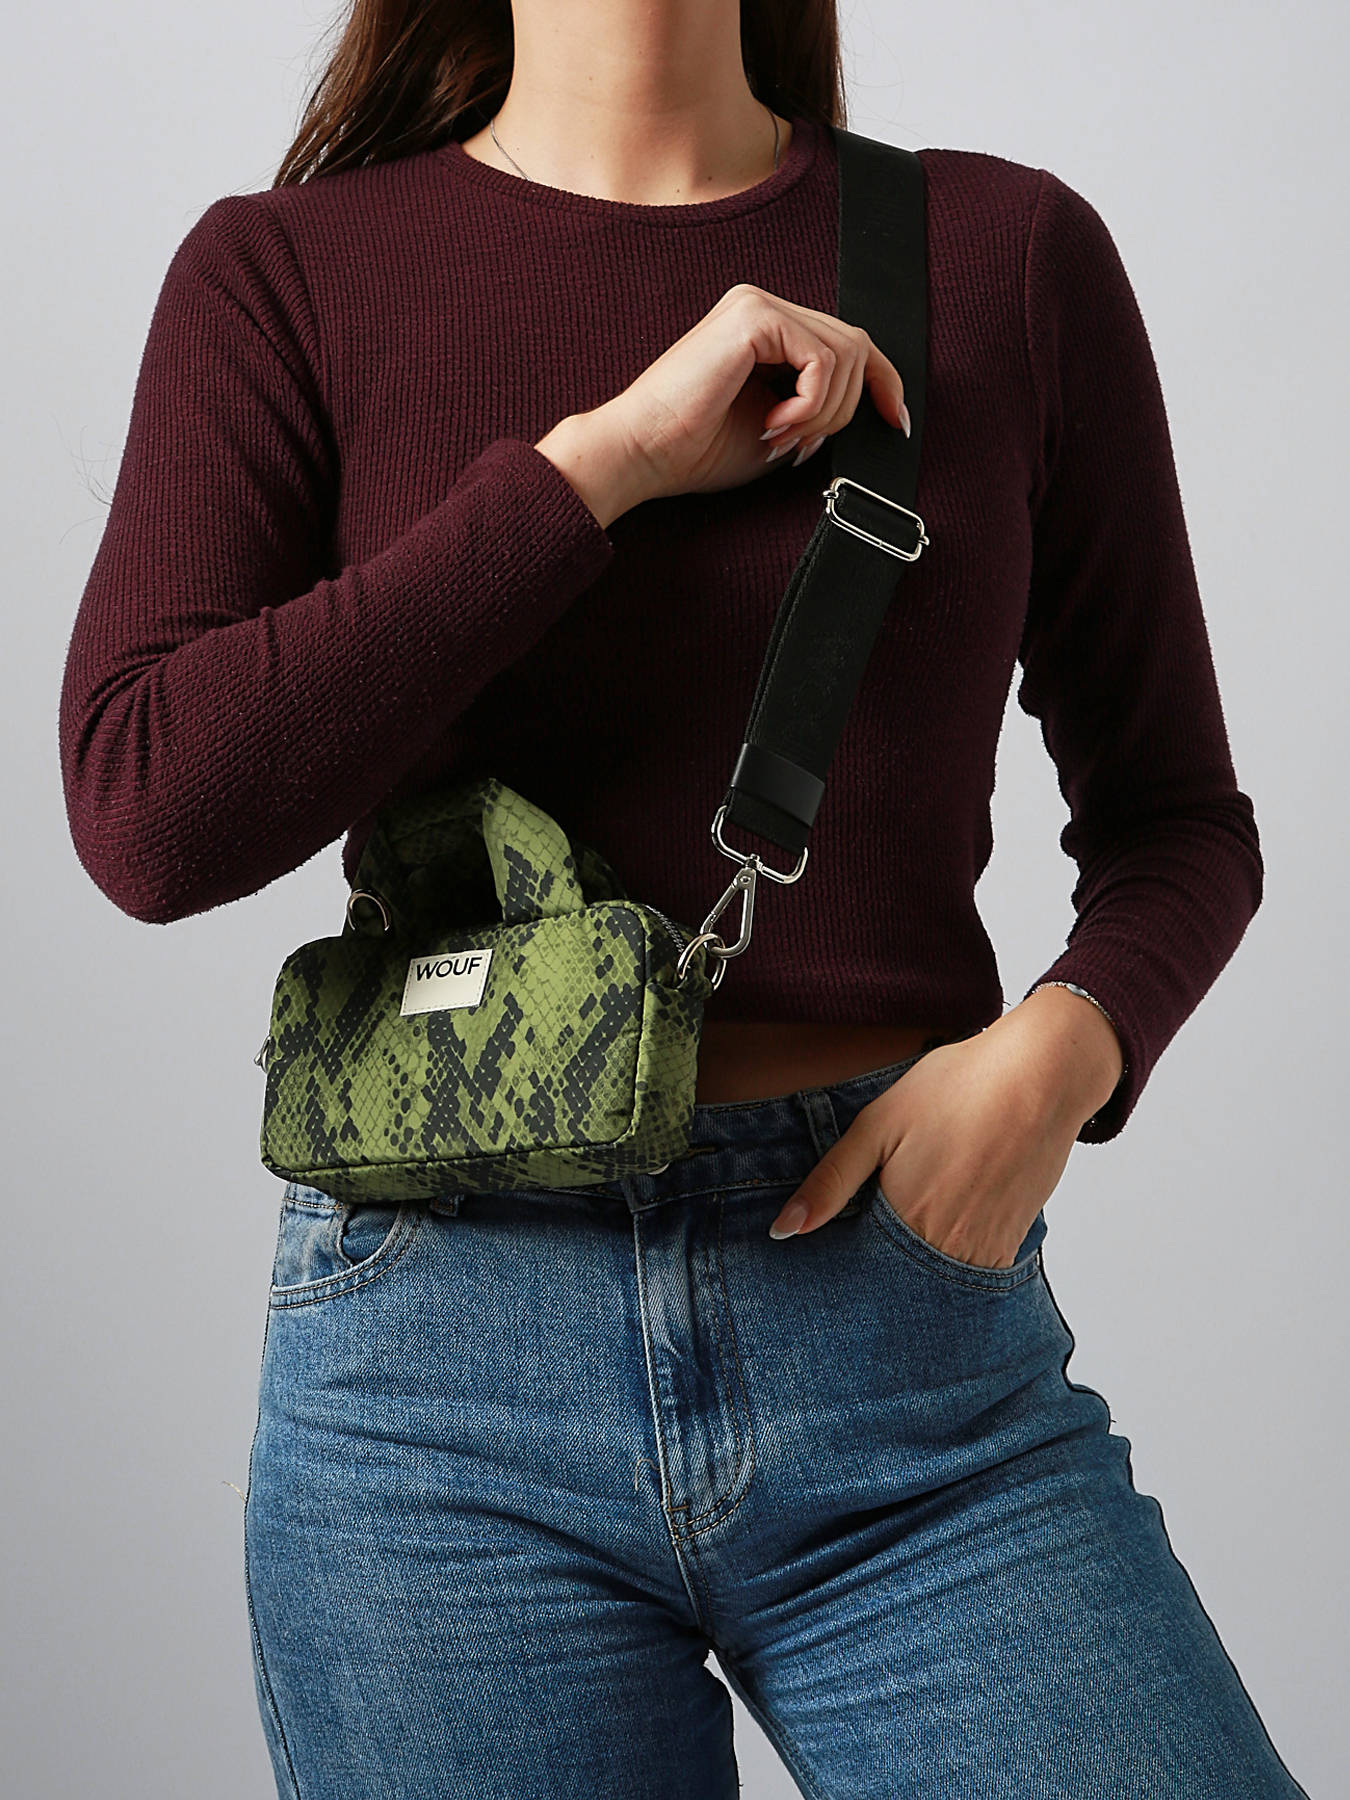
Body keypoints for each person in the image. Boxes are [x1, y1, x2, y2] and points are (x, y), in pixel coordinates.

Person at [58, 2, 1312, 1795]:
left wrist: (1059, 1053)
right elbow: (147, 814)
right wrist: (603, 468)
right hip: (437, 1386)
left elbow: (1180, 821)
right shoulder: (285, 275)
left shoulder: (999, 252)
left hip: (902, 1342)